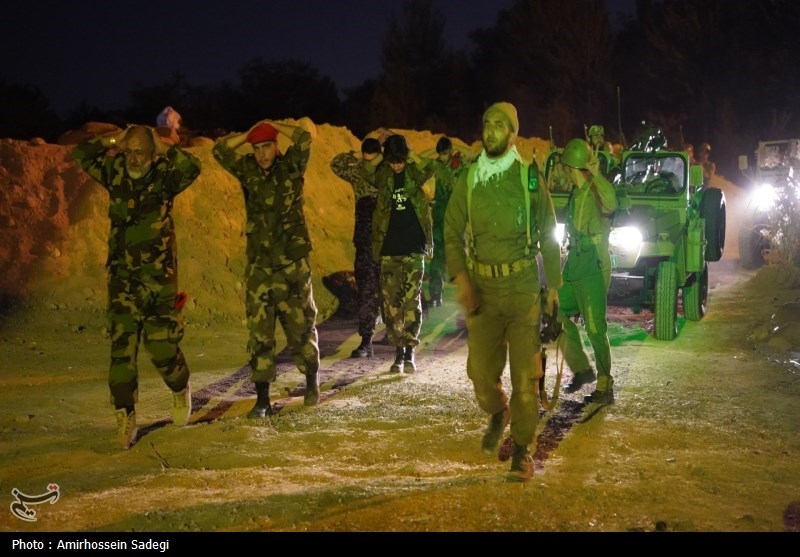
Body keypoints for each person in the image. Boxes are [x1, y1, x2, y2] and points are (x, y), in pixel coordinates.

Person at [444, 102, 563, 482]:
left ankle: (522, 451)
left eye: (500, 125)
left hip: (522, 287)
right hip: (483, 288)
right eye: (487, 124)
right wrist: (461, 277)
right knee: (480, 374)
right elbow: (450, 232)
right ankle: (498, 412)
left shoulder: (528, 177)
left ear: (512, 133)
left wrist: (554, 286)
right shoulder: (470, 178)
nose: (491, 131)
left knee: (525, 379)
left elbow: (548, 232)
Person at [71, 125, 201, 449]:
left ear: (152, 153)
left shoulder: (164, 176)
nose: (132, 157)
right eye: (128, 151)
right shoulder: (115, 170)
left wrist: (164, 146)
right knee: (121, 349)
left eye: (139, 151)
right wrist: (112, 140)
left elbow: (192, 168)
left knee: (162, 350)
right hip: (123, 278)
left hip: (158, 281)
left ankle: (180, 387)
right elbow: (80, 154)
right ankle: (125, 414)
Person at [212, 118, 321, 418]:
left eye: (267, 146)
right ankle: (262, 399)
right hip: (260, 264)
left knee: (300, 327)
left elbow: (303, 138)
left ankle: (311, 380)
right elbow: (219, 151)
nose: (261, 154)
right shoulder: (247, 169)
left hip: (292, 264)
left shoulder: (292, 166)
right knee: (260, 333)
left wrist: (274, 125)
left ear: (276, 146)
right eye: (257, 148)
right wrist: (246, 133)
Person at [557, 138, 618, 407]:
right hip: (574, 265)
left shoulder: (596, 189)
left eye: (567, 168)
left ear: (574, 167)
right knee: (554, 312)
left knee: (595, 328)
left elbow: (612, 204)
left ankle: (605, 385)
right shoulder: (574, 193)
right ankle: (582, 368)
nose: (565, 172)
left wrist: (597, 175)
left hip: (594, 266)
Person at [368, 133, 434, 374]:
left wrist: (410, 155)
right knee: (391, 304)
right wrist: (382, 155)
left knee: (410, 301)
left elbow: (431, 167)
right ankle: (398, 352)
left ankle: (409, 352)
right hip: (389, 249)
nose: (396, 166)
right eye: (392, 161)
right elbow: (364, 169)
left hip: (414, 248)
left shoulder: (414, 173)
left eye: (400, 161)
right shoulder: (383, 174)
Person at [330, 136, 385, 358]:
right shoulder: (358, 171)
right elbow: (336, 162)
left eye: (371, 160)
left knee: (391, 290)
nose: (368, 164)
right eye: (366, 160)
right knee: (366, 290)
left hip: (388, 240)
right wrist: (356, 155)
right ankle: (367, 339)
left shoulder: (388, 172)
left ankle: (397, 336)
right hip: (365, 241)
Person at [420, 137, 474, 307]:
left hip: (456, 219)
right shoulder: (437, 165)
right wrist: (437, 152)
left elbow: (471, 154)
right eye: (440, 154)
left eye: (445, 153)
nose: (443, 157)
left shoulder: (460, 163)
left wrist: (455, 148)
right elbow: (422, 158)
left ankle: (469, 296)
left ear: (450, 151)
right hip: (440, 218)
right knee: (437, 259)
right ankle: (436, 295)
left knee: (461, 259)